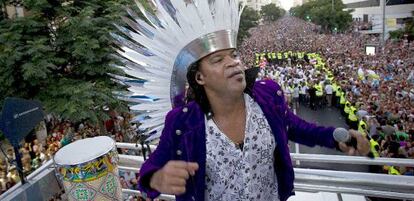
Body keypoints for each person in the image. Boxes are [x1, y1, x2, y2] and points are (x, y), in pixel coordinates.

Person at [138, 49, 371, 201]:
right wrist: (156, 179)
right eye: (218, 60)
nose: (233, 63)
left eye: (234, 55)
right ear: (200, 78)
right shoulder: (181, 121)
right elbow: (149, 171)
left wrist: (335, 138)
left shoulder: (268, 95)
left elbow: (295, 127)